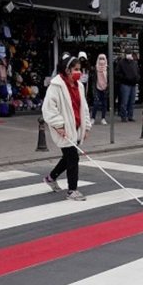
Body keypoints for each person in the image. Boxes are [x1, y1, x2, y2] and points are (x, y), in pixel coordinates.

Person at [42, 53, 92, 201]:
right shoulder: (56, 86)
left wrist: (86, 126)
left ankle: (51, 178)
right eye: (76, 69)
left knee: (68, 157)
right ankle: (72, 190)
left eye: (80, 69)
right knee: (73, 158)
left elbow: (84, 107)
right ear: (67, 70)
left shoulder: (80, 86)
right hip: (64, 128)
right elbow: (49, 108)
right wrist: (59, 125)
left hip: (76, 127)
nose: (79, 72)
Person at [116, 52, 140, 122]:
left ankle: (130, 116)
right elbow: (117, 73)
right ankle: (123, 116)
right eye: (127, 53)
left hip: (133, 84)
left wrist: (137, 78)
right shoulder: (121, 63)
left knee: (132, 101)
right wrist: (124, 78)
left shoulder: (134, 63)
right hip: (125, 84)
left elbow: (137, 72)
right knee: (124, 101)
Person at [91, 53, 109, 125]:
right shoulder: (95, 69)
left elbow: (110, 79)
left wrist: (108, 88)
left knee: (104, 104)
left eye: (103, 59)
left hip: (105, 88)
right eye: (100, 58)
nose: (102, 61)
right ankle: (93, 118)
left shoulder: (108, 68)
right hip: (97, 87)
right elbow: (93, 80)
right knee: (96, 103)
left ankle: (103, 118)